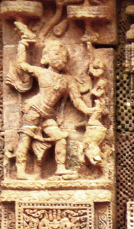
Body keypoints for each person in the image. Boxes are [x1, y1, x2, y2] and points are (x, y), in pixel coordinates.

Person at [10, 32, 95, 180]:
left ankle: (60, 168)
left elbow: (77, 100)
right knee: (25, 139)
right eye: (56, 54)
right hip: (33, 109)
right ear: (46, 58)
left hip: (48, 114)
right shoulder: (41, 72)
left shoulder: (68, 80)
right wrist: (22, 47)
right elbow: (21, 65)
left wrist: (87, 110)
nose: (61, 58)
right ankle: (20, 172)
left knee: (60, 138)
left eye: (64, 56)